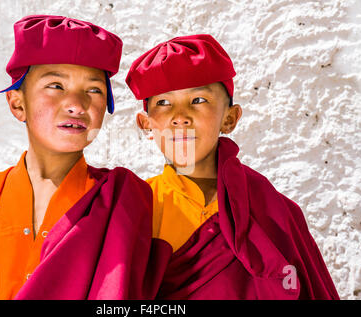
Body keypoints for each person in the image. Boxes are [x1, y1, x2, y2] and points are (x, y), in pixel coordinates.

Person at [0, 14, 162, 300]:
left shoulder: (124, 199)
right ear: (18, 104)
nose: (76, 105)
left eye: (93, 90)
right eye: (56, 86)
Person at [125, 34, 340, 299]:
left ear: (230, 118)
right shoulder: (137, 210)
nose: (180, 117)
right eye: (163, 103)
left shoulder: (275, 210)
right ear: (146, 124)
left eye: (199, 100)